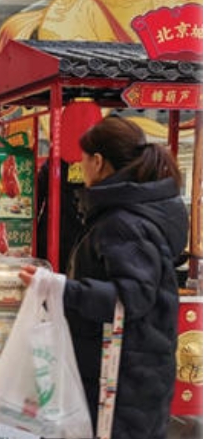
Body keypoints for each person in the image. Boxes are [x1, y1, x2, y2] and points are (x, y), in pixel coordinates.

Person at [19, 116, 188, 439]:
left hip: (122, 383)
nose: (80, 168)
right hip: (132, 376)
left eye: (82, 160)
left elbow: (131, 297)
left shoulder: (123, 222)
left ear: (97, 162)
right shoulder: (136, 212)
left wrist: (59, 288)